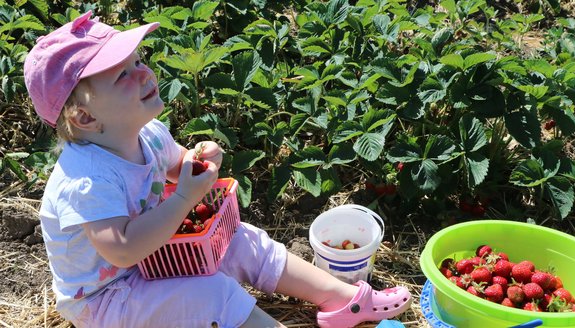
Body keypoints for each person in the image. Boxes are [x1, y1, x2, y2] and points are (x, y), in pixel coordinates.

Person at [23, 11, 412, 328]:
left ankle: (343, 299)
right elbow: (123, 250)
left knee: (239, 239)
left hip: (156, 260)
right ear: (86, 117)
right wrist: (185, 199)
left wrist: (202, 159)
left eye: (138, 61)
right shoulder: (87, 181)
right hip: (110, 299)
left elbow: (178, 167)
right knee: (214, 295)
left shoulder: (150, 134)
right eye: (121, 75)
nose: (144, 73)